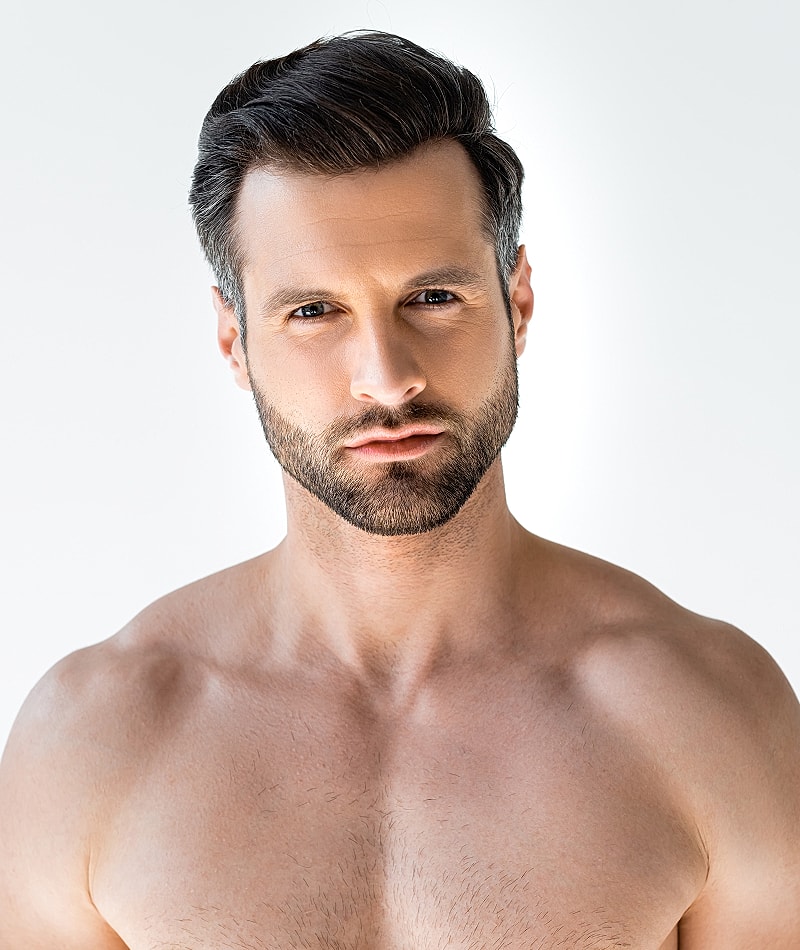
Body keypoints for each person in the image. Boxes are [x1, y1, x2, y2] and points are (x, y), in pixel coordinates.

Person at [0, 30, 798, 950]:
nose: (384, 377)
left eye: (432, 298)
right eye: (313, 312)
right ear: (233, 340)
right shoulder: (92, 744)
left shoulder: (710, 718)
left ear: (518, 301)